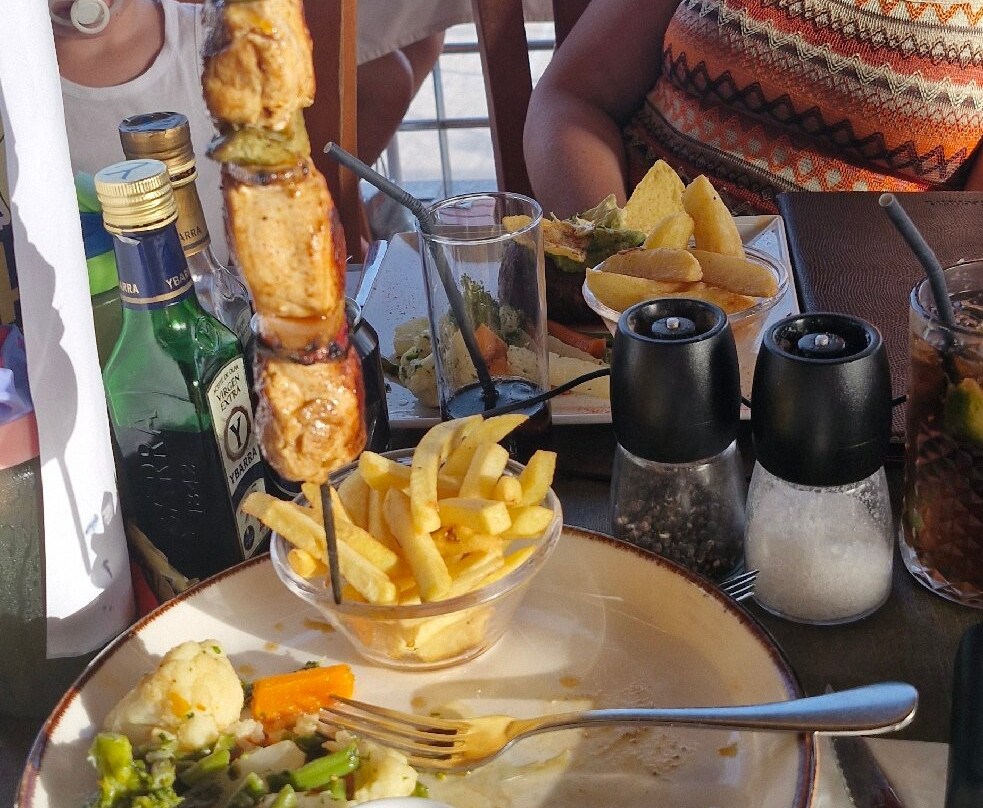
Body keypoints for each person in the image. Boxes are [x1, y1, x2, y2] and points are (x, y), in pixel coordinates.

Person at [523, 0, 983, 219]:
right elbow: (573, 98)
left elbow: (969, 250)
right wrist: (617, 260)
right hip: (639, 309)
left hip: (866, 333)